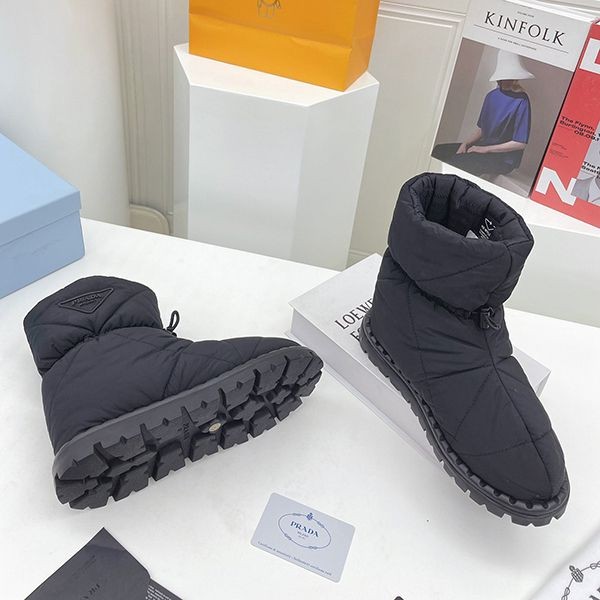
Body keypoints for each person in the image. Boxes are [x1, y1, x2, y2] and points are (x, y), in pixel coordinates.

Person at [433, 50, 533, 177]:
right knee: (439, 151)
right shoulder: (491, 96)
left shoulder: (522, 100)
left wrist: (484, 149)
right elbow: (482, 130)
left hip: (504, 159)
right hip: (483, 147)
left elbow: (520, 143)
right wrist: (465, 144)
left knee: (457, 162)